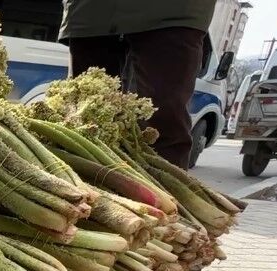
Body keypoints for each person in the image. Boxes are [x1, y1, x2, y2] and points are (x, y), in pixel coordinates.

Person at [61, 0, 218, 168]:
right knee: (85, 126)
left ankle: (164, 193)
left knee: (162, 128)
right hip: (91, 12)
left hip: (173, 13)